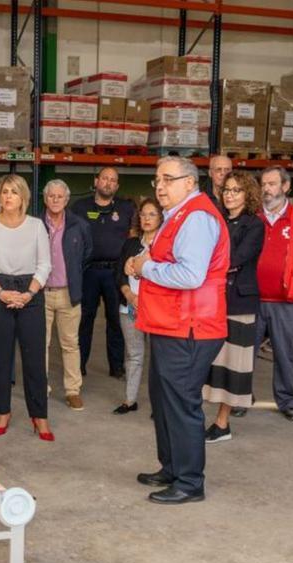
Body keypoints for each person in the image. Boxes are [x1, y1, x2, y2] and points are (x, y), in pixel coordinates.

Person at [130, 156, 229, 505]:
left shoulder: (198, 218)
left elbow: (190, 275)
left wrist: (146, 267)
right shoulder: (179, 216)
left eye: (168, 179)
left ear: (190, 182)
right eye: (157, 179)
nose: (159, 186)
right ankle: (171, 467)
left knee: (182, 403)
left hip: (191, 325)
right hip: (170, 324)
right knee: (163, 399)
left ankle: (189, 482)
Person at [0, 175, 54, 441]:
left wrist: (29, 293)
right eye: (4, 192)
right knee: (0, 357)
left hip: (31, 291)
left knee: (34, 359)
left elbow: (45, 264)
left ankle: (39, 416)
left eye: (13, 192)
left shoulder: (36, 226)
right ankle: (2, 411)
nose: (8, 197)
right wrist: (1, 292)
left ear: (23, 197)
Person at [248, 166, 293, 422]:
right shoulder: (253, 217)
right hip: (252, 299)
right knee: (245, 352)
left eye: (271, 183)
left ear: (285, 187)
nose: (266, 189)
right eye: (263, 184)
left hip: (287, 302)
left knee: (285, 354)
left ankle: (288, 401)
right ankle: (241, 397)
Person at [201, 171, 265, 442]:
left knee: (233, 365)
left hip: (239, 302)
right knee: (210, 361)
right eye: (227, 189)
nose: (229, 194)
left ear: (247, 194)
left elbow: (237, 257)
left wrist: (205, 263)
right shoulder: (216, 220)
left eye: (236, 190)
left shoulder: (254, 225)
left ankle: (222, 422)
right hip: (213, 300)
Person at [70, 167, 136, 378]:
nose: (108, 183)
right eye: (105, 178)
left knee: (116, 320)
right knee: (84, 320)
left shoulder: (126, 208)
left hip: (115, 272)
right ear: (96, 181)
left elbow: (134, 237)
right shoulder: (80, 207)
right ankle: (78, 365)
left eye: (113, 180)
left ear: (116, 186)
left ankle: (116, 367)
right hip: (88, 271)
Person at [42, 179, 92, 411]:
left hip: (68, 294)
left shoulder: (79, 225)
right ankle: (41, 387)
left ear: (66, 199)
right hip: (40, 293)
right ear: (45, 199)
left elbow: (86, 254)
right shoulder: (35, 224)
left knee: (70, 344)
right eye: (51, 196)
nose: (55, 200)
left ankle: (73, 390)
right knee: (41, 343)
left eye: (59, 196)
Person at [113, 198, 163, 415]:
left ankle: (159, 406)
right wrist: (129, 295)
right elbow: (118, 275)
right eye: (143, 214)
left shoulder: (165, 247)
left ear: (161, 217)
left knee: (159, 360)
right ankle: (129, 400)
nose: (146, 218)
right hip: (129, 308)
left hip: (157, 311)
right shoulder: (131, 244)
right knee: (133, 355)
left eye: (152, 214)